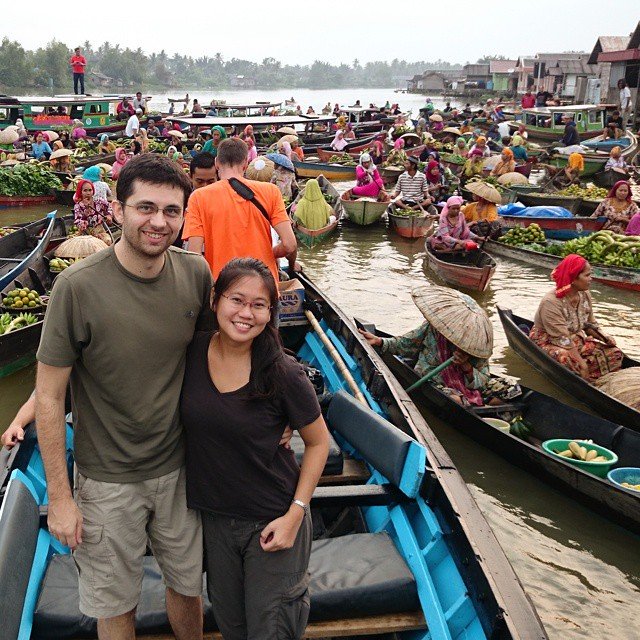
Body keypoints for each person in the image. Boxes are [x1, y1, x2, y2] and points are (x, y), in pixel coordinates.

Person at [35, 154, 215, 640]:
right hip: (107, 479)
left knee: (187, 587)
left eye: (172, 211)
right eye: (145, 208)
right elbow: (49, 396)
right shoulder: (76, 287)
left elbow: (219, 357)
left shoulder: (195, 274)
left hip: (180, 469)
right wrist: (60, 498)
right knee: (115, 604)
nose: (159, 222)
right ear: (118, 210)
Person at [181, 257, 329, 640]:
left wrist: (296, 514)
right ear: (215, 300)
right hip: (215, 519)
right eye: (237, 300)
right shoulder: (191, 352)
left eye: (259, 305)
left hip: (272, 518)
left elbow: (318, 443)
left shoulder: (282, 372)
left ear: (270, 313)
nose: (246, 314)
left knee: (272, 628)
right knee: (232, 625)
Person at [183, 137, 297, 283]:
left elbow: (194, 256)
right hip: (264, 285)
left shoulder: (198, 197)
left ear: (217, 163)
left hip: (223, 286)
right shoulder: (271, 191)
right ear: (245, 163)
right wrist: (270, 253)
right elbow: (290, 245)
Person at [358, 289, 491, 406]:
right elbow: (405, 343)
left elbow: (483, 381)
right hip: (432, 381)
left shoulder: (476, 345)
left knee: (501, 391)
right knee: (455, 400)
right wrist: (380, 341)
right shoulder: (433, 329)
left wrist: (466, 366)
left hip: (465, 389)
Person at [529, 255, 623, 381]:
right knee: (565, 357)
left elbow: (589, 324)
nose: (591, 278)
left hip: (574, 339)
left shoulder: (585, 294)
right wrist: (583, 365)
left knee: (615, 353)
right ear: (573, 278)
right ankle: (583, 376)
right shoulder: (551, 302)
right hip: (549, 341)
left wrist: (605, 337)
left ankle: (589, 377)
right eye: (587, 275)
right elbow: (562, 339)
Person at [72, 179, 113, 244]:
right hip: (85, 235)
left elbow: (109, 206)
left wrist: (108, 215)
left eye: (90, 190)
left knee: (108, 241)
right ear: (80, 192)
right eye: (85, 190)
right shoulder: (77, 206)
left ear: (93, 191)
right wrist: (85, 213)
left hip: (100, 232)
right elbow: (79, 225)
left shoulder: (99, 201)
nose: (88, 193)